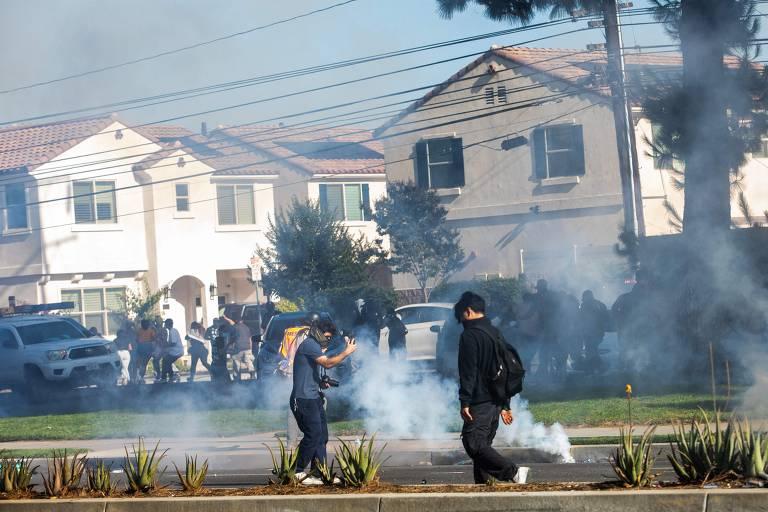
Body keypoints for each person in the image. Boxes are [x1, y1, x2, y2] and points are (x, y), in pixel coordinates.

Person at [454, 291, 522, 485]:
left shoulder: (470, 335)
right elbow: (505, 369)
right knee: (483, 447)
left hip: (480, 401)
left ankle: (512, 472)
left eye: (461, 316)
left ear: (468, 311)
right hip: (496, 402)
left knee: (473, 442)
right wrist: (505, 404)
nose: (461, 321)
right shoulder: (494, 332)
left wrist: (465, 401)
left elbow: (468, 372)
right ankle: (484, 487)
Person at [291, 314, 356, 486]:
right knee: (313, 435)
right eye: (327, 337)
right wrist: (346, 352)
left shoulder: (315, 346)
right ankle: (297, 471)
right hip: (303, 399)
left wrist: (320, 382)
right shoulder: (310, 345)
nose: (328, 340)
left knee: (322, 437)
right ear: (318, 332)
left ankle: (320, 473)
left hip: (314, 396)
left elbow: (310, 371)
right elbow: (327, 363)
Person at [578, 290, 609, 373]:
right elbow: (606, 317)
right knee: (592, 350)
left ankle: (595, 368)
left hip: (592, 333)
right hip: (595, 333)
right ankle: (595, 368)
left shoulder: (586, 305)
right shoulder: (599, 304)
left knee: (591, 350)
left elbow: (581, 319)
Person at [223, 312, 255, 380]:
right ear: (242, 320)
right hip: (247, 348)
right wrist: (250, 349)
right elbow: (250, 339)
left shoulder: (234, 327)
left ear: (235, 321)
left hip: (239, 348)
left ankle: (237, 377)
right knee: (248, 361)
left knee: (236, 361)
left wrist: (227, 346)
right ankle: (252, 374)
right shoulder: (246, 328)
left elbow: (232, 339)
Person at [159, 318, 184, 383]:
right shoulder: (171, 331)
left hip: (177, 351)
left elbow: (173, 343)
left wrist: (165, 346)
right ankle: (170, 376)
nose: (164, 325)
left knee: (166, 360)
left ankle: (165, 377)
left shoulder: (173, 331)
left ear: (168, 324)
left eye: (165, 323)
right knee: (167, 361)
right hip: (174, 351)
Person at [135, 319, 159, 383]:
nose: (145, 325)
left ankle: (140, 376)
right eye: (144, 324)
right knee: (140, 363)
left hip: (147, 347)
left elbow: (155, 338)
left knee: (144, 363)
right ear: (142, 324)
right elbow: (136, 339)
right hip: (141, 347)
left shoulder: (150, 330)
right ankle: (139, 376)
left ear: (148, 325)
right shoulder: (139, 330)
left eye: (146, 324)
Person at [113, 320, 135, 385]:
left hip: (119, 353)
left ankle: (126, 379)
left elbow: (114, 349)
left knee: (123, 367)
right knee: (125, 367)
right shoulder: (127, 339)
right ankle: (126, 379)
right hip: (126, 353)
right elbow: (130, 348)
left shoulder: (115, 340)